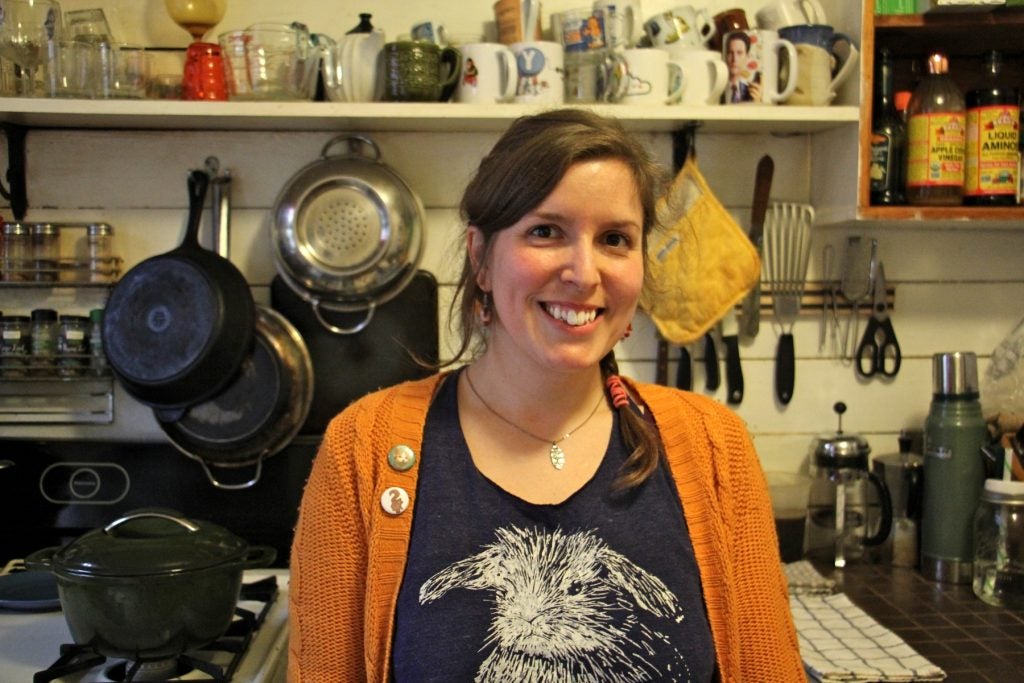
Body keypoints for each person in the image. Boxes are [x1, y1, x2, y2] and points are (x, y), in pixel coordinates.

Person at [288, 109, 802, 682]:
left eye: (614, 239)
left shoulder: (715, 447)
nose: (584, 273)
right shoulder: (362, 449)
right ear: (481, 258)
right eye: (545, 231)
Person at [724, 31, 762, 103]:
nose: (734, 59)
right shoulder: (718, 90)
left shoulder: (750, 92)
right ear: (726, 56)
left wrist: (758, 103)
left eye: (739, 53)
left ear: (747, 58)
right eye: (730, 53)